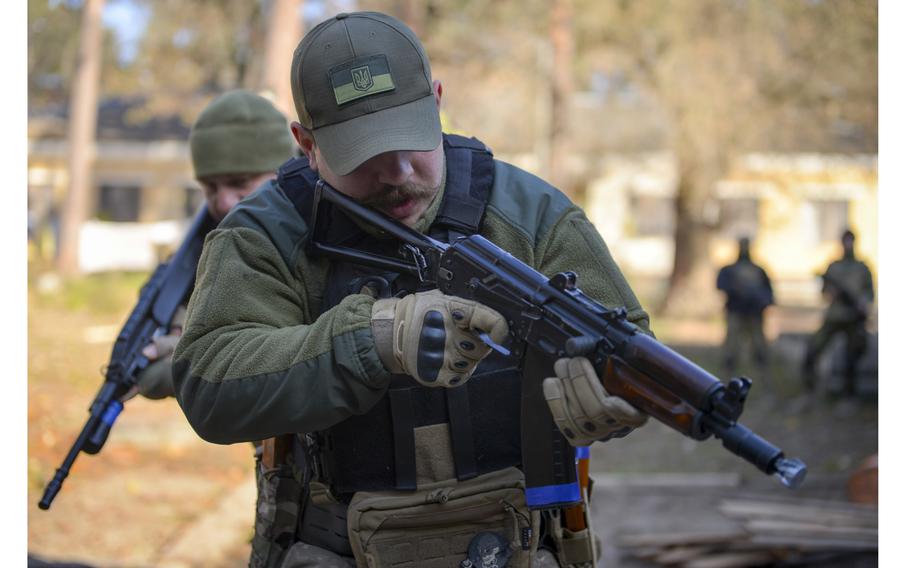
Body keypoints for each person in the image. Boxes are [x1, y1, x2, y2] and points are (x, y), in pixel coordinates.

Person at [172, 12, 651, 568]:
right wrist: (372, 339)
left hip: (517, 546)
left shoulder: (534, 215)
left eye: (411, 139)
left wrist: (614, 395)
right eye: (364, 154)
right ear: (307, 144)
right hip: (335, 549)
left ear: (439, 101)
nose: (397, 171)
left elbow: (630, 344)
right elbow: (210, 385)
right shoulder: (264, 236)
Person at [127, 89, 296, 401]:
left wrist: (192, 357)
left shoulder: (321, 228)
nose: (222, 202)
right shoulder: (214, 247)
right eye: (209, 188)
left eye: (239, 183)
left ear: (284, 171)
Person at [802, 229, 875, 397]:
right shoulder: (833, 267)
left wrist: (863, 302)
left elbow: (869, 293)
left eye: (850, 241)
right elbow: (824, 291)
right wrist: (831, 292)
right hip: (834, 317)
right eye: (845, 241)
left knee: (853, 355)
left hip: (854, 318)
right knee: (813, 348)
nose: (847, 244)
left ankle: (849, 394)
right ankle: (811, 390)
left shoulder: (862, 268)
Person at [715, 237, 774, 379]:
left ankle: (763, 376)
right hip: (736, 311)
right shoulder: (730, 270)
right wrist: (739, 292)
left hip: (754, 313)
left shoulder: (758, 271)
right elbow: (721, 285)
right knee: (732, 346)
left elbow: (768, 293)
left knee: (759, 346)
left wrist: (760, 300)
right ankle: (727, 375)